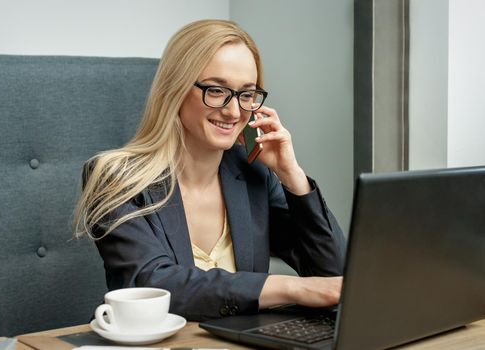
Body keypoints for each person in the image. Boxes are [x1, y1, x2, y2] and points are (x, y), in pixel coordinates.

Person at [74, 19, 346, 321]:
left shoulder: (255, 175)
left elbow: (333, 276)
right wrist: (291, 288)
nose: (233, 111)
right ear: (175, 89)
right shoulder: (115, 178)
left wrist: (291, 175)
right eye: (216, 90)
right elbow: (153, 284)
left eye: (246, 94)